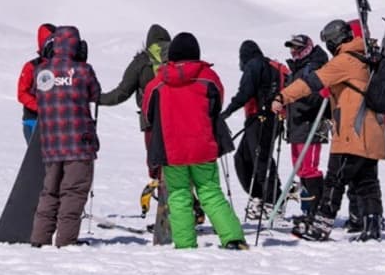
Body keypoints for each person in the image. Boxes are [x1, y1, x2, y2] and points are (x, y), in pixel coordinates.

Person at [272, 18, 385, 241]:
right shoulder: (368, 57)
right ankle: (372, 225)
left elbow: (310, 83)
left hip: (351, 132)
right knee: (367, 182)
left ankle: (322, 225)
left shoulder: (345, 60)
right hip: (372, 131)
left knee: (335, 180)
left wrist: (282, 96)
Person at [143, 32, 247, 250]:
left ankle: (185, 245)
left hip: (172, 150)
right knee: (210, 192)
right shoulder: (208, 77)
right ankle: (233, 238)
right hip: (203, 147)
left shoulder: (157, 83)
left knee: (179, 196)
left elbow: (148, 115)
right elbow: (217, 104)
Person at [98, 24, 198, 220]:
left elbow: (121, 92)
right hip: (181, 119)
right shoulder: (180, 56)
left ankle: (170, 217)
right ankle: (188, 208)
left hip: (152, 121)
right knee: (178, 165)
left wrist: (97, 98)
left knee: (158, 166)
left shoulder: (142, 60)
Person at [30, 25, 101, 248]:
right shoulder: (83, 70)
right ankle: (66, 240)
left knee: (49, 191)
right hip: (79, 143)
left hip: (51, 143)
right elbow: (95, 94)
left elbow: (36, 94)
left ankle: (39, 238)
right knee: (74, 191)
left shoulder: (41, 72)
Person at [220, 40, 290, 221]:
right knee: (246, 158)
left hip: (260, 119)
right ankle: (261, 197)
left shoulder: (254, 65)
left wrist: (227, 112)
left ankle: (273, 200)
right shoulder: (268, 65)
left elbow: (245, 92)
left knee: (260, 160)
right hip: (268, 119)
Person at [282, 33, 330, 226]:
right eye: (292, 48)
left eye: (297, 48)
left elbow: (319, 97)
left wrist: (297, 94)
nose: (294, 52)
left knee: (309, 168)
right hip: (296, 124)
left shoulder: (314, 67)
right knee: (300, 168)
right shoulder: (298, 68)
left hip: (311, 124)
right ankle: (307, 209)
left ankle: (315, 211)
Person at [16, 23, 57, 143]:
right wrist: (40, 107)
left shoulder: (62, 67)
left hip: (56, 122)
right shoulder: (31, 67)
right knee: (38, 159)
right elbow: (21, 94)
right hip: (33, 120)